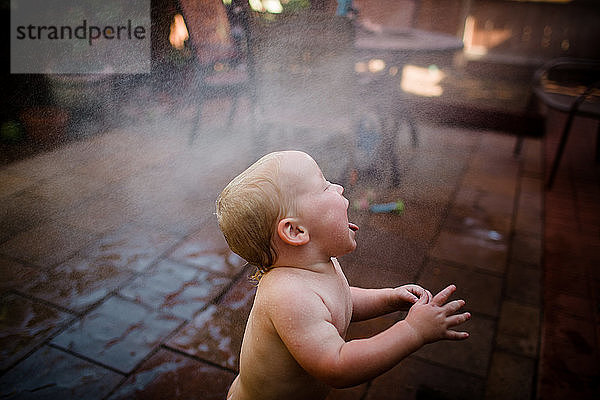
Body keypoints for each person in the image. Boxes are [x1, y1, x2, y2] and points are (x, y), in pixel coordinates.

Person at [216, 151, 470, 400]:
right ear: (295, 231)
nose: (338, 187)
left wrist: (389, 299)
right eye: (325, 187)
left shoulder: (320, 264)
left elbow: (340, 300)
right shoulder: (288, 295)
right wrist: (413, 331)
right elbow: (337, 365)